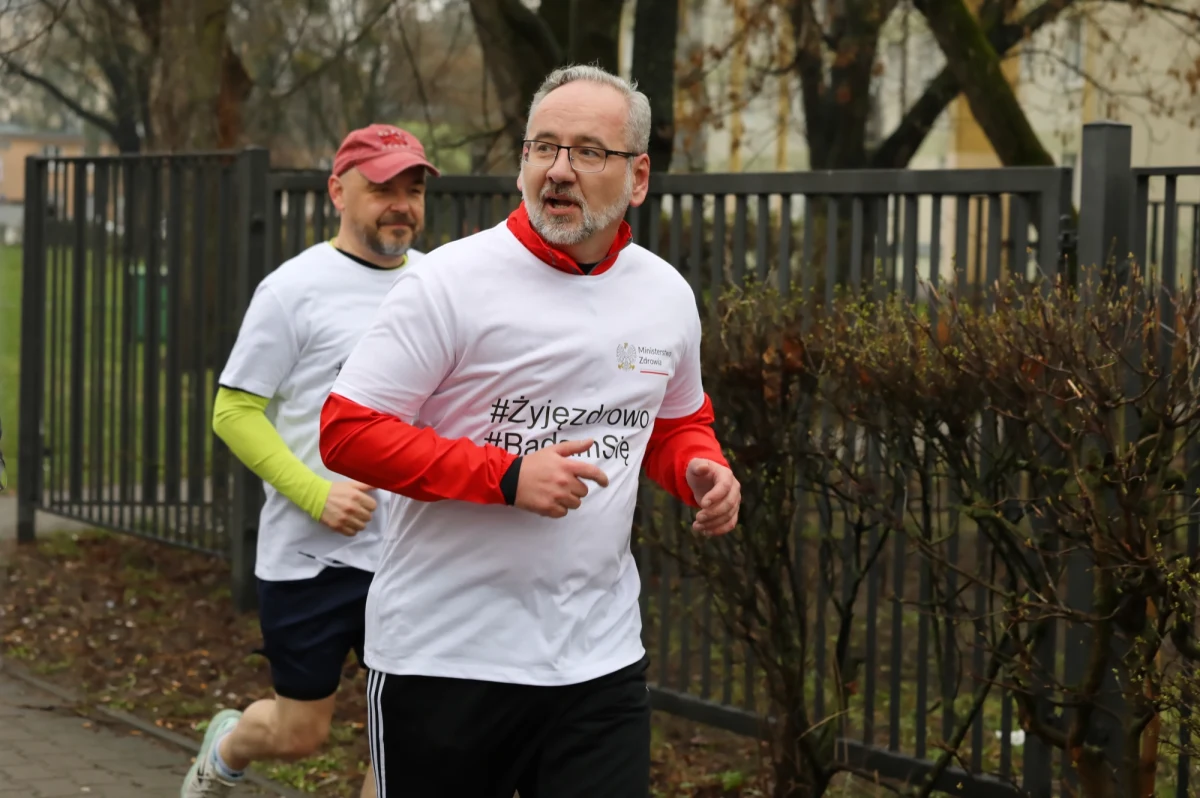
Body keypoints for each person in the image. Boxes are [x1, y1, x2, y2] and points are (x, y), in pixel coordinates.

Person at [318, 66, 742, 798]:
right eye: (542, 147)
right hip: (445, 657)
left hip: (596, 662)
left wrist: (700, 466)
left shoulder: (665, 294)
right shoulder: (450, 282)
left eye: (587, 151)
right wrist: (507, 477)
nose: (559, 170)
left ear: (638, 176)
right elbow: (348, 433)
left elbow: (674, 422)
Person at [181, 124, 440, 798]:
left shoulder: (443, 285)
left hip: (413, 555)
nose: (401, 204)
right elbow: (233, 413)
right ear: (338, 191)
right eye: (382, 187)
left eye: (411, 190)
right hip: (311, 556)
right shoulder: (292, 290)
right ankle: (229, 744)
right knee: (303, 732)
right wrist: (316, 493)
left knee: (412, 734)